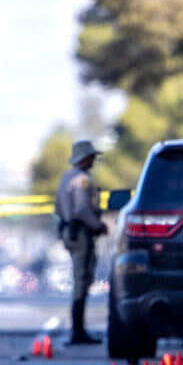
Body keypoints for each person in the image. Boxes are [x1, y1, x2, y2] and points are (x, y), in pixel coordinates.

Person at [56, 140, 107, 346]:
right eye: (92, 156)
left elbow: (59, 208)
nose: (94, 160)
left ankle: (78, 330)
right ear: (84, 158)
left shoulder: (66, 178)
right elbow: (81, 209)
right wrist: (98, 225)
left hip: (70, 231)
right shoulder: (81, 180)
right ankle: (78, 331)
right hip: (81, 234)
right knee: (82, 280)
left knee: (81, 279)